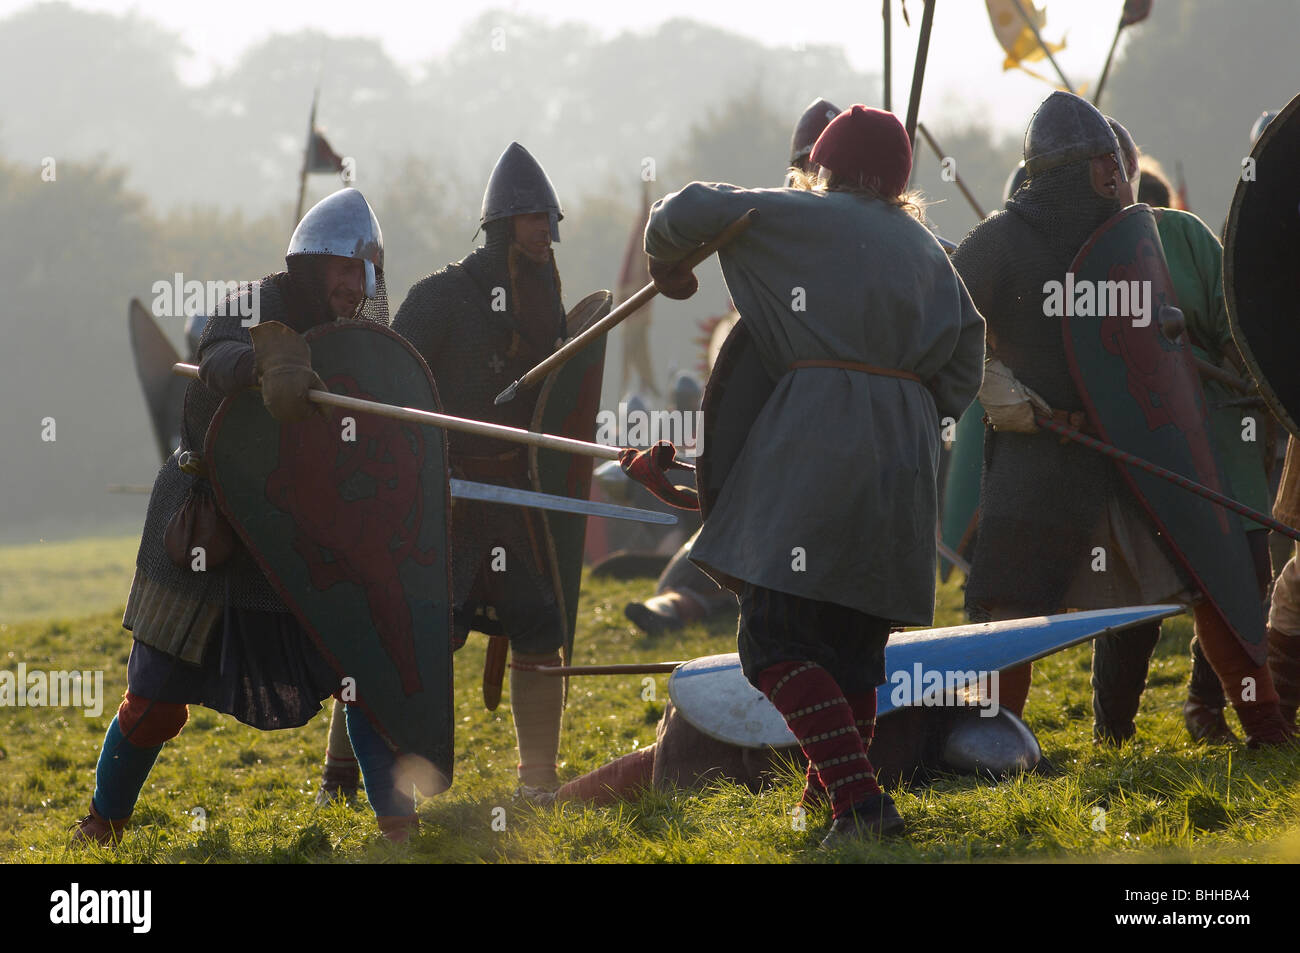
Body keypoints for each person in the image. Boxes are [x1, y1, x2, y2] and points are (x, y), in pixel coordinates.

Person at [644, 105, 985, 843]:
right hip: (908, 449)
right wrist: (902, 397)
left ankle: (862, 807)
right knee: (854, 647)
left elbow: (687, 208)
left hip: (821, 441)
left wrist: (665, 258)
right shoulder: (929, 250)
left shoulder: (796, 214)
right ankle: (835, 799)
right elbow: (965, 361)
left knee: (776, 642)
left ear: (823, 167)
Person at [74, 188, 424, 845]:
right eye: (343, 270)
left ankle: (399, 832)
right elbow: (216, 353)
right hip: (209, 527)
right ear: (314, 266)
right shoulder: (255, 304)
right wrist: (265, 361)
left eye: (363, 272)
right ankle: (101, 823)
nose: (354, 286)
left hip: (301, 533)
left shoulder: (359, 341)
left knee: (364, 675)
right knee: (156, 703)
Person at [952, 91, 1292, 748]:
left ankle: (1267, 724)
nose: (1117, 175)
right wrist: (1005, 394)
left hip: (1142, 445)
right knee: (1017, 603)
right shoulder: (1002, 242)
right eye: (1107, 163)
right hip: (1046, 451)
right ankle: (994, 743)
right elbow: (946, 324)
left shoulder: (1138, 239)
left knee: (1211, 578)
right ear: (1086, 169)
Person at [391, 143, 571, 796]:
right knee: (411, 635)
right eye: (530, 220)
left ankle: (538, 784)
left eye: (548, 221)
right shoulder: (441, 298)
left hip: (514, 499)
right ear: (501, 227)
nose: (544, 234)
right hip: (446, 503)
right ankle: (353, 772)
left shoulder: (545, 301)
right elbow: (389, 385)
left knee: (538, 624)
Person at [1107, 120, 1274, 743]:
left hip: (1223, 429)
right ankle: (1113, 728)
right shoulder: (1085, 257)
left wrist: (1235, 357)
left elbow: (1236, 315)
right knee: (1141, 603)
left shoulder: (1182, 234)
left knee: (1246, 576)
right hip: (1144, 439)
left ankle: (1210, 705)